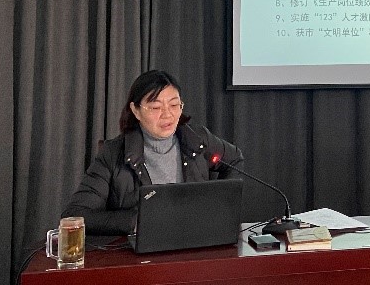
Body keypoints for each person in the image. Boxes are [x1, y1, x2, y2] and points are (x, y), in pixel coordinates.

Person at [62, 70, 244, 235]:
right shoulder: (113, 154)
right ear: (136, 111)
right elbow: (75, 215)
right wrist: (136, 222)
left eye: (174, 105)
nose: (167, 114)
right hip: (140, 251)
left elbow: (235, 159)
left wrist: (218, 207)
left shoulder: (198, 140)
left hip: (194, 241)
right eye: (156, 108)